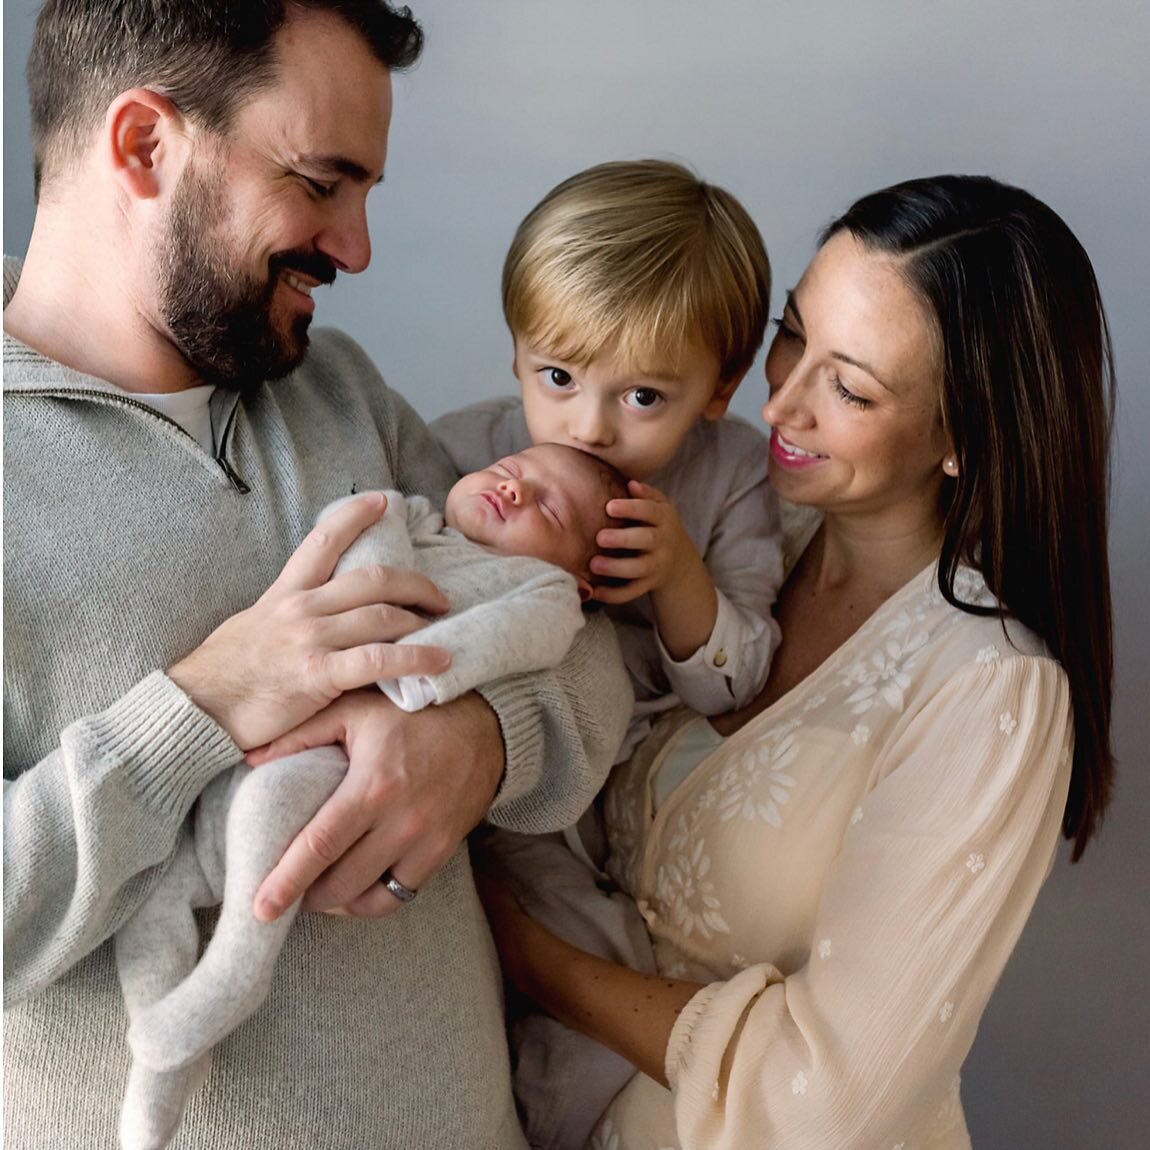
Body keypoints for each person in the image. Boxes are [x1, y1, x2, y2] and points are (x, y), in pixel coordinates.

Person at [2, 3, 632, 1148]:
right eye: (323, 182)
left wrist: (480, 742)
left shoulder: (337, 389)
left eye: (368, 195)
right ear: (144, 145)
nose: (356, 248)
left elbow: (585, 650)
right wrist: (201, 705)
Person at [477, 174, 1116, 1149]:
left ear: (960, 434)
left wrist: (531, 957)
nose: (778, 402)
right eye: (790, 332)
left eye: (848, 386)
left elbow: (827, 1098)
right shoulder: (714, 516)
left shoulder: (988, 685)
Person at [115, 442, 629, 1150]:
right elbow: (362, 519)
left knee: (271, 813)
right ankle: (156, 1060)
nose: (512, 492)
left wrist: (440, 697)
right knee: (156, 888)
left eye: (546, 505)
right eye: (509, 472)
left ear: (580, 576)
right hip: (242, 757)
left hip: (344, 761)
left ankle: (239, 967)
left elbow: (535, 641)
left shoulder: (541, 590)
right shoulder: (418, 518)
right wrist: (370, 578)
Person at [431, 158, 785, 1147]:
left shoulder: (731, 477)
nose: (588, 425)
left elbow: (744, 673)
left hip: (603, 817)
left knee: (590, 984)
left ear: (718, 387)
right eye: (557, 377)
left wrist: (677, 575)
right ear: (514, 356)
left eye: (641, 397)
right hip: (476, 780)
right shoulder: (470, 453)